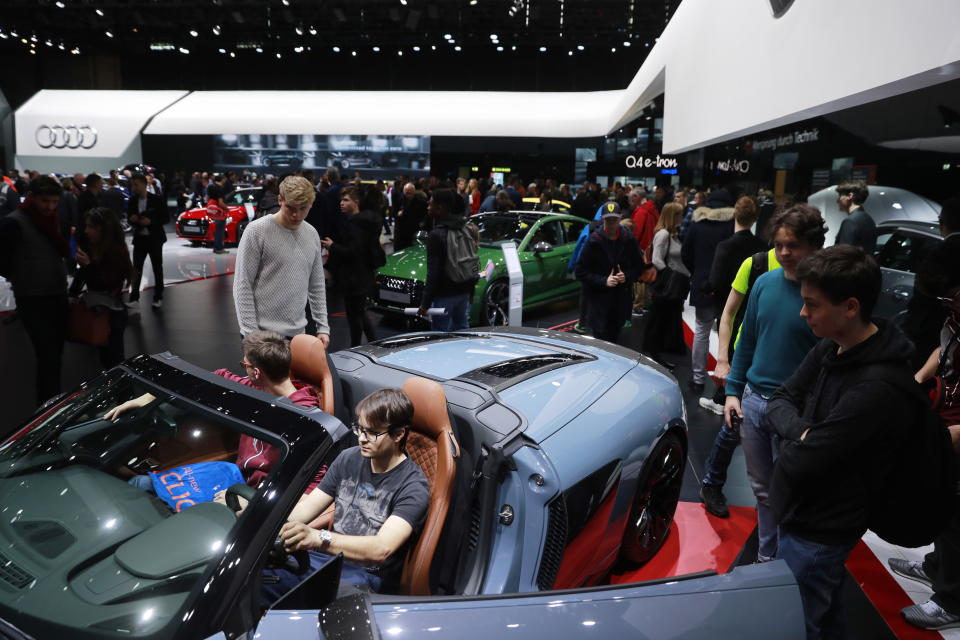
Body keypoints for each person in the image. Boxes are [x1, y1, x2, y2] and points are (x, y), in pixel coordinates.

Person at [766, 245, 914, 640]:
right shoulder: (831, 345)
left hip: (821, 526)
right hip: (802, 512)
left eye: (812, 305)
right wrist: (803, 433)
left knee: (798, 623)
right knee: (822, 611)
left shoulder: (877, 388)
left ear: (850, 307)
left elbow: (802, 461)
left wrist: (794, 438)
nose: (803, 313)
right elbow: (778, 400)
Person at [724, 204, 826, 561]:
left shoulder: (825, 292)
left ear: (814, 245)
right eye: (779, 244)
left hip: (798, 411)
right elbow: (747, 339)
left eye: (793, 245)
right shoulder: (764, 283)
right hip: (753, 402)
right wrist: (733, 391)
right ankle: (768, 559)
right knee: (763, 490)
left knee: (795, 493)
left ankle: (788, 561)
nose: (784, 253)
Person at [106, 330, 324, 494]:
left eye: (244, 364)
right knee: (139, 484)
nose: (243, 368)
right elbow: (198, 381)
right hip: (237, 474)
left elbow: (312, 480)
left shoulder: (301, 415)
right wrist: (145, 398)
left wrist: (253, 503)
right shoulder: (255, 389)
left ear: (256, 372)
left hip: (257, 491)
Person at [263, 388, 430, 598]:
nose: (361, 438)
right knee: (258, 573)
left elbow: (381, 549)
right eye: (359, 428)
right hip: (328, 559)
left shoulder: (413, 487)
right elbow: (304, 510)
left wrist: (317, 537)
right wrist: (258, 515)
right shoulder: (348, 458)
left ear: (398, 434)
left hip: (365, 578)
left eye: (372, 432)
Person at [891, 199, 960, 631]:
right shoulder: (954, 312)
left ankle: (950, 598)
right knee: (943, 502)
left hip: (956, 431)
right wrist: (915, 382)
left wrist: (939, 439)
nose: (948, 303)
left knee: (956, 512)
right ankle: (937, 566)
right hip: (946, 418)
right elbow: (943, 348)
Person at [697, 196, 770, 517]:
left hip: (767, 358)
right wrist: (725, 360)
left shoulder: (734, 249)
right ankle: (712, 482)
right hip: (748, 350)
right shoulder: (757, 262)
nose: (787, 252)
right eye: (781, 244)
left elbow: (718, 291)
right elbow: (729, 313)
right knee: (732, 425)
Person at [234, 175, 329, 345]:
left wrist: (322, 327)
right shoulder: (257, 231)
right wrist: (251, 334)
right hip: (261, 336)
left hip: (298, 335)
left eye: (303, 208)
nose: (297, 214)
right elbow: (242, 284)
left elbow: (316, 284)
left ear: (311, 205)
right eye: (291, 207)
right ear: (280, 199)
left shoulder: (312, 234)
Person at [0, 176, 69, 405]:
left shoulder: (51, 220)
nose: (50, 206)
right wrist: (21, 275)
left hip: (57, 293)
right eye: (45, 201)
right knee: (47, 354)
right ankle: (47, 408)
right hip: (32, 298)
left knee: (55, 355)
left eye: (54, 201)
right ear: (31, 197)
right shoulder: (14, 223)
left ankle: (51, 404)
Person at [575, 201, 654, 342]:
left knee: (615, 341)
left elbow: (638, 267)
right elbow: (580, 271)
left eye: (614, 219)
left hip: (619, 301)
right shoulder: (594, 241)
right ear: (602, 219)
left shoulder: (628, 239)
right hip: (598, 302)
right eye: (608, 219)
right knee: (600, 343)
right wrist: (603, 281)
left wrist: (627, 276)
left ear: (620, 218)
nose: (611, 223)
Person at [681, 189, 735, 392]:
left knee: (701, 332)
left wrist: (697, 273)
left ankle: (697, 379)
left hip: (702, 284)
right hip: (727, 286)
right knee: (727, 331)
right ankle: (726, 383)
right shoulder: (732, 226)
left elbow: (686, 253)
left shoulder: (698, 224)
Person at [323, 186, 381, 346]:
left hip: (354, 277)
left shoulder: (356, 224)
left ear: (356, 202)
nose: (341, 203)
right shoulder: (365, 222)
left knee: (354, 316)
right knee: (360, 313)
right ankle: (374, 345)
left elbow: (354, 252)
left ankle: (355, 348)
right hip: (362, 275)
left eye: (346, 200)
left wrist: (332, 246)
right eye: (341, 200)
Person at [76, 208, 132, 368]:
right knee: (107, 361)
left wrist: (88, 266)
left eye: (91, 227)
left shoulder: (115, 252)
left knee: (113, 362)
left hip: (111, 314)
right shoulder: (94, 248)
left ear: (103, 229)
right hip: (101, 310)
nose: (86, 231)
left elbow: (107, 282)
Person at [417, 188, 478, 331]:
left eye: (431, 203)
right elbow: (473, 261)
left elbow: (434, 273)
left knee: (440, 335)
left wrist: (425, 304)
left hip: (445, 294)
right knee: (462, 329)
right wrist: (471, 292)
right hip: (464, 291)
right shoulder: (465, 228)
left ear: (440, 208)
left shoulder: (437, 235)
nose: (428, 205)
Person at [641, 202, 690, 364]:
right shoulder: (663, 234)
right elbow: (656, 259)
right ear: (672, 216)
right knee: (659, 321)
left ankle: (658, 355)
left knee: (665, 320)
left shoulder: (671, 234)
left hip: (672, 286)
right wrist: (672, 276)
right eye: (679, 214)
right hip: (666, 286)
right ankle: (655, 356)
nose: (682, 218)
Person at [126, 173, 169, 311]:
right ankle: (134, 299)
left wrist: (151, 222)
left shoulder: (157, 200)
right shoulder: (132, 200)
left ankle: (158, 297)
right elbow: (128, 218)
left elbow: (166, 218)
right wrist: (131, 219)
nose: (133, 188)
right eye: (132, 185)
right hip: (139, 239)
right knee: (136, 269)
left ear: (145, 184)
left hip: (155, 239)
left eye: (136, 185)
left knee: (157, 268)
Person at [834, 180, 876, 254]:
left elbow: (844, 254)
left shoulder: (850, 221)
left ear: (850, 196)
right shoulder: (869, 219)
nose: (837, 201)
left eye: (840, 195)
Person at [394, 183, 428, 251]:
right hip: (401, 231)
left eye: (410, 193)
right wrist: (398, 214)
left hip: (414, 230)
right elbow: (393, 213)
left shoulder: (421, 202)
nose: (408, 195)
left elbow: (426, 214)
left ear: (414, 192)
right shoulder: (399, 200)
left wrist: (423, 222)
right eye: (407, 193)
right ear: (404, 192)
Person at [206, 182, 230, 255]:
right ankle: (219, 248)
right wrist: (227, 209)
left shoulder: (211, 196)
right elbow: (221, 203)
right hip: (220, 214)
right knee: (220, 232)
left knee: (217, 231)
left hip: (215, 214)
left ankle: (216, 248)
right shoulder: (219, 194)